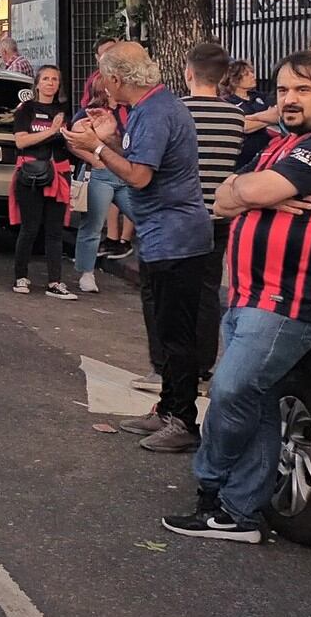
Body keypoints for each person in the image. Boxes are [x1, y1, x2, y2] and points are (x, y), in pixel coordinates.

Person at [163, 52, 311, 542]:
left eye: (302, 90)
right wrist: (251, 189)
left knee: (232, 391)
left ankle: (212, 487)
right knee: (256, 402)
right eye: (282, 91)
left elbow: (249, 193)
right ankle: (239, 514)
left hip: (289, 301)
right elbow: (222, 197)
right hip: (249, 295)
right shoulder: (284, 144)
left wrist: (255, 191)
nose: (289, 100)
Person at [63, 42, 214, 453]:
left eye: (103, 78)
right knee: (164, 330)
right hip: (163, 234)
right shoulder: (152, 108)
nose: (102, 87)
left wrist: (96, 147)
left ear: (115, 78)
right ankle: (168, 408)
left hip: (176, 237)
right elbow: (131, 163)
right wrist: (102, 141)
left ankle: (182, 419)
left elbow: (140, 176)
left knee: (177, 334)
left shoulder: (156, 111)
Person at [182, 42, 248, 374]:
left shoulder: (176, 111)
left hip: (182, 213)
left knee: (178, 291)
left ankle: (179, 359)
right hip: (219, 214)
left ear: (189, 72)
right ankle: (205, 361)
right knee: (208, 289)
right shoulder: (236, 116)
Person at [11, 65, 76, 299]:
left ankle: (55, 281)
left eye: (55, 79)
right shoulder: (26, 109)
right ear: (37, 84)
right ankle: (20, 276)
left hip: (59, 173)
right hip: (31, 175)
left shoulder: (63, 111)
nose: (50, 83)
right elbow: (21, 141)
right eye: (46, 79)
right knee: (29, 228)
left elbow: (70, 144)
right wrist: (52, 131)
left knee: (55, 231)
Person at [72, 38, 122, 291]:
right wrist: (94, 160)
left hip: (124, 172)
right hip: (100, 173)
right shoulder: (89, 113)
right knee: (92, 224)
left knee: (145, 217)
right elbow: (72, 141)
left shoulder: (130, 111)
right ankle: (86, 272)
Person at [225, 59, 274, 172]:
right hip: (243, 156)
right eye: (247, 74)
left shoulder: (260, 96)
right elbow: (244, 126)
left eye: (252, 72)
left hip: (265, 151)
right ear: (235, 80)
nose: (253, 76)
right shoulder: (230, 102)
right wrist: (268, 118)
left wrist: (252, 119)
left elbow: (277, 113)